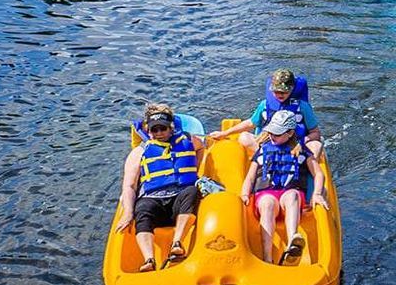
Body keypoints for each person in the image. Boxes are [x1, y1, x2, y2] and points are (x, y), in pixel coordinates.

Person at [114, 104, 221, 272]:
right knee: (142, 208)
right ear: (149, 131)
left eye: (162, 129)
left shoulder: (187, 140)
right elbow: (129, 185)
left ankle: (177, 243)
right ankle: (149, 259)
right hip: (154, 199)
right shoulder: (139, 153)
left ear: (171, 127)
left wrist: (195, 169)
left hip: (180, 198)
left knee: (192, 191)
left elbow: (201, 148)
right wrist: (128, 212)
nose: (159, 133)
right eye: (154, 130)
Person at [238, 110, 327, 265]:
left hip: (289, 193)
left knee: (292, 196)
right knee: (267, 204)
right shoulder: (262, 150)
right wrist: (245, 194)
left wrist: (317, 193)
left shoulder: (301, 151)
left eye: (277, 134)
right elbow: (251, 176)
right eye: (271, 132)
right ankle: (267, 256)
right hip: (266, 193)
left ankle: (293, 242)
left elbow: (318, 174)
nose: (273, 136)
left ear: (290, 133)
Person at [228, 69, 326, 164]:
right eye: (276, 91)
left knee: (317, 145)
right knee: (244, 137)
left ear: (292, 88)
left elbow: (315, 133)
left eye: (284, 91)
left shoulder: (303, 107)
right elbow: (251, 123)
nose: (279, 94)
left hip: (294, 145)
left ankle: (302, 166)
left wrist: (302, 143)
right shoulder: (265, 105)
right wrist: (225, 133)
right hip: (270, 143)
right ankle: (266, 158)